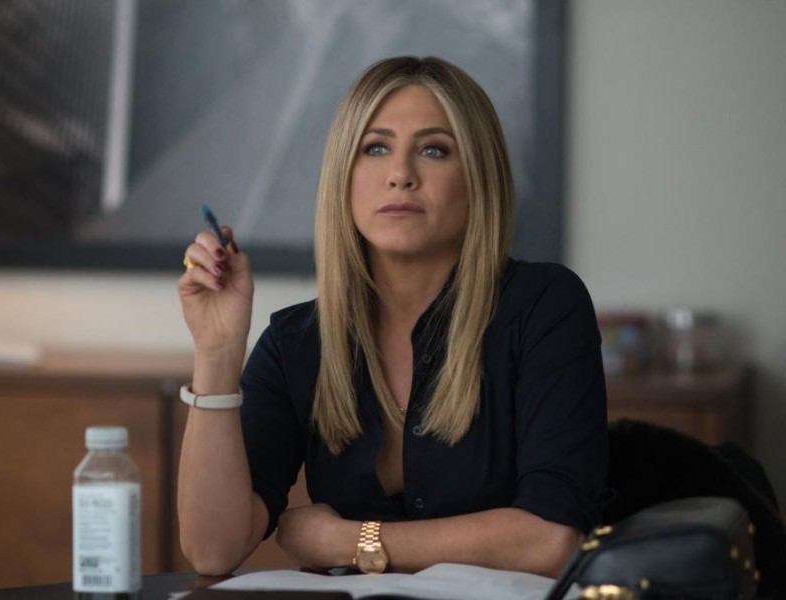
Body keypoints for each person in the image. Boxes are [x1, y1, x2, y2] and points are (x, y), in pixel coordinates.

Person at [177, 56, 608, 579]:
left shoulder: (545, 306)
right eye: (376, 148)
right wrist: (217, 352)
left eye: (434, 150)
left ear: (478, 177)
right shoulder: (297, 342)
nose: (401, 175)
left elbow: (552, 540)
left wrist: (349, 541)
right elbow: (212, 550)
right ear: (344, 175)